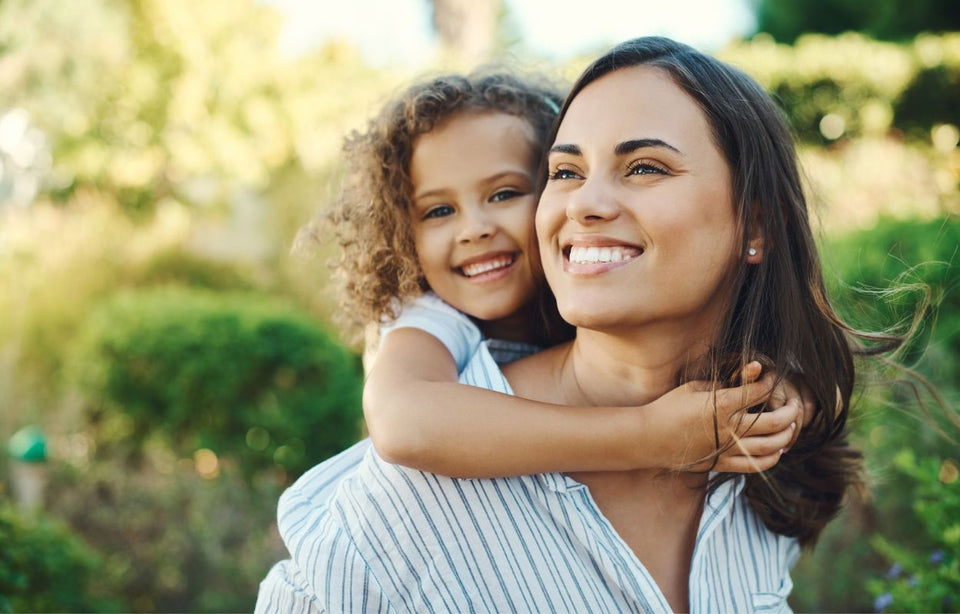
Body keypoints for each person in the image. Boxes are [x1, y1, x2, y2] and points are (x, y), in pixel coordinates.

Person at [257, 38, 861, 612]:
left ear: (756, 228)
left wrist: (791, 401)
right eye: (567, 172)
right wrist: (649, 435)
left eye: (645, 167)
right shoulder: (405, 498)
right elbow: (402, 419)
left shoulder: (757, 452)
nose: (582, 204)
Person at [315, 70, 805, 481]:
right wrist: (650, 437)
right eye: (439, 210)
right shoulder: (430, 320)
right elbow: (404, 424)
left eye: (504, 195)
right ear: (404, 235)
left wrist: (776, 398)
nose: (474, 230)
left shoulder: (588, 292)